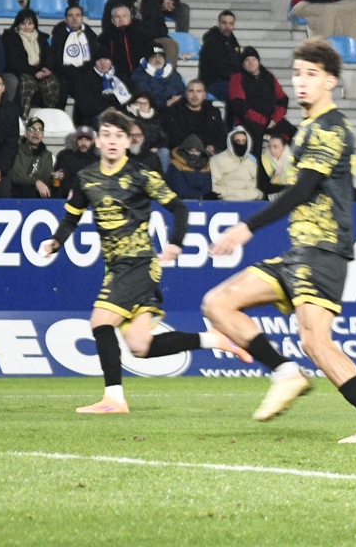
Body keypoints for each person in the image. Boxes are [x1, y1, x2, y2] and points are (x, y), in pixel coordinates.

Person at [204, 40, 356, 441]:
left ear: (330, 80)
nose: (301, 82)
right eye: (297, 73)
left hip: (324, 249)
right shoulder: (306, 129)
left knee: (315, 342)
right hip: (299, 252)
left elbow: (304, 189)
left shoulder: (330, 128)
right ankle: (285, 371)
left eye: (311, 74)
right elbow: (289, 186)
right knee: (218, 304)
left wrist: (247, 227)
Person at [38, 109, 250, 414]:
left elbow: (179, 209)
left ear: (128, 141)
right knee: (140, 346)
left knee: (100, 321)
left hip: (139, 264)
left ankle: (114, 398)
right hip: (116, 268)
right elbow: (71, 218)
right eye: (106, 135)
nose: (112, 141)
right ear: (97, 141)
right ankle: (212, 338)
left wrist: (175, 244)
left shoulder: (141, 174)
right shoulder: (86, 178)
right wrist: (56, 240)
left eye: (118, 136)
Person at [228, 47, 289, 155]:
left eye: (253, 59)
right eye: (247, 60)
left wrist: (275, 119)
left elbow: (283, 99)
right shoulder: (237, 77)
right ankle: (257, 169)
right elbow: (239, 106)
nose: (251, 63)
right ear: (242, 64)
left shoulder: (269, 76)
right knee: (255, 137)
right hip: (248, 121)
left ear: (258, 61)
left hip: (271, 120)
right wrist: (263, 121)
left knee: (293, 133)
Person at [166, 79, 227, 154]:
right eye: (191, 91)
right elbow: (175, 138)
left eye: (198, 91)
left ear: (204, 95)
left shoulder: (213, 112)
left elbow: (221, 135)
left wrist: (214, 146)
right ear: (186, 94)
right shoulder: (175, 111)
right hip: (184, 152)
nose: (194, 95)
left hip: (209, 152)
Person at [210, 126, 262, 202]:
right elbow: (211, 186)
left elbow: (257, 188)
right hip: (226, 203)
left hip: (250, 203)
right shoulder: (217, 160)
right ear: (231, 142)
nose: (241, 144)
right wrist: (232, 193)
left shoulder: (251, 163)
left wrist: (255, 194)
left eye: (243, 141)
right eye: (238, 141)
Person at [199, 10, 241, 100]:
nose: (227, 26)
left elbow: (239, 64)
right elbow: (221, 68)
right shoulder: (211, 42)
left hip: (229, 81)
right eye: (224, 23)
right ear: (219, 24)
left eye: (230, 23)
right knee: (237, 93)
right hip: (213, 83)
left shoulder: (233, 42)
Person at [11, 116, 54, 199]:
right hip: (19, 190)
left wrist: (55, 177)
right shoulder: (16, 150)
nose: (36, 133)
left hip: (38, 190)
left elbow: (46, 178)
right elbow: (16, 176)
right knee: (27, 189)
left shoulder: (46, 155)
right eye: (32, 129)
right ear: (26, 133)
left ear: (43, 134)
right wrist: (35, 182)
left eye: (39, 130)